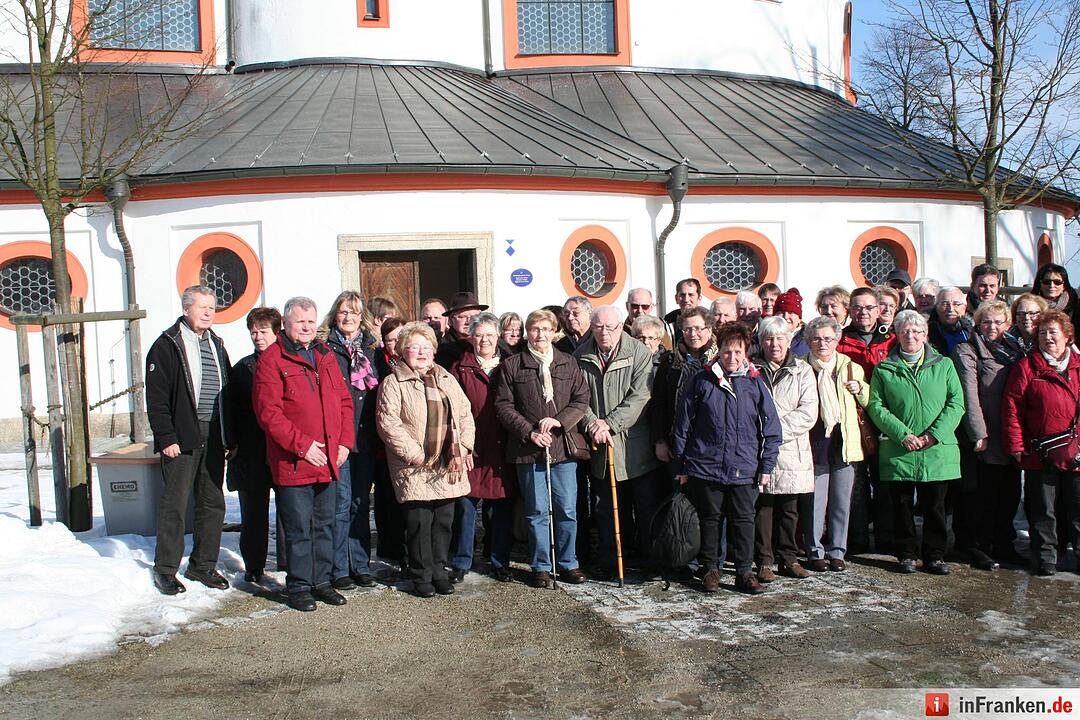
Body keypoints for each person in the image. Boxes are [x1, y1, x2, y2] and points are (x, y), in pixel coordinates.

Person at [253, 296, 354, 611]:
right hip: (294, 461)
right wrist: (303, 446)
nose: (308, 327)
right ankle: (298, 586)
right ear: (285, 323)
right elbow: (269, 414)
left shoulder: (324, 354)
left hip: (329, 458)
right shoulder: (272, 359)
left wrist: (344, 443)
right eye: (300, 322)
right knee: (298, 528)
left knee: (325, 524)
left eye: (311, 321)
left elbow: (344, 402)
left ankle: (321, 582)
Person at [673, 323, 782, 595]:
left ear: (745, 353)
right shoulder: (702, 380)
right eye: (726, 351)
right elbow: (683, 425)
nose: (731, 357)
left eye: (737, 352)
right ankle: (711, 569)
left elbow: (771, 428)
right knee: (710, 519)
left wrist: (767, 465)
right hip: (706, 465)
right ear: (718, 351)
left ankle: (744, 572)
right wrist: (682, 464)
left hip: (745, 466)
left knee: (744, 520)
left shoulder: (755, 382)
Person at [376, 322, 475, 597]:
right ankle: (421, 575)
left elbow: (464, 413)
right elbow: (388, 423)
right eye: (414, 347)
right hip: (415, 466)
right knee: (419, 524)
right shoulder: (393, 382)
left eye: (426, 347)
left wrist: (464, 447)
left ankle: (439, 572)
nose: (421, 352)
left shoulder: (446, 378)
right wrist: (415, 454)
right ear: (402, 351)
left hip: (447, 463)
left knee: (443, 522)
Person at [146, 285, 231, 596]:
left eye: (212, 307)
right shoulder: (167, 345)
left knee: (212, 501)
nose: (208, 312)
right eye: (202, 307)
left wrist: (230, 434)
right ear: (186, 309)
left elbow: (228, 392)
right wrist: (166, 436)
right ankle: (166, 569)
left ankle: (203, 564)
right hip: (182, 435)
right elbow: (156, 397)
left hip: (214, 433)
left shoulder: (216, 344)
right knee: (175, 503)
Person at [495, 309, 591, 588]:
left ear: (554, 332)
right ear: (528, 332)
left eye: (546, 329)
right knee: (536, 510)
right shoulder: (513, 365)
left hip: (562, 448)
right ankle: (541, 566)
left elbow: (581, 399)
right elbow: (503, 405)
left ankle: (568, 562)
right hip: (528, 449)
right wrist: (529, 432)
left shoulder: (567, 363)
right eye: (535, 329)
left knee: (566, 508)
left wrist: (560, 421)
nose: (540, 335)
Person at [866, 310, 964, 576]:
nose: (911, 336)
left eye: (916, 331)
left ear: (925, 334)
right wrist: (902, 434)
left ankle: (935, 555)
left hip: (937, 448)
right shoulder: (884, 368)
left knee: (935, 506)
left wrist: (934, 434)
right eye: (905, 331)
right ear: (897, 334)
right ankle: (906, 554)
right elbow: (876, 406)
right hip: (899, 448)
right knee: (901, 505)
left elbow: (956, 403)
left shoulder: (944, 365)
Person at [575, 305, 658, 575]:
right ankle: (611, 560)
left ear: (621, 326)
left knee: (645, 507)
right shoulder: (580, 356)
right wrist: (592, 424)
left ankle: (649, 560)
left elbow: (641, 396)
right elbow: (578, 398)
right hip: (601, 446)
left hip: (635, 445)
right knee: (607, 509)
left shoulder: (638, 352)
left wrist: (609, 423)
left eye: (610, 327)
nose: (604, 332)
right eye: (598, 327)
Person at [1002, 310, 1080, 577]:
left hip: (1076, 451)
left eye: (1053, 332)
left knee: (1077, 507)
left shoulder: (1078, 365)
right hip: (1040, 451)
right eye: (1043, 333)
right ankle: (1045, 557)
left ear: (1067, 336)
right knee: (1043, 510)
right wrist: (1016, 444)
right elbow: (1012, 408)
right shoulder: (1027, 367)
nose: (1048, 338)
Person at [952, 299, 1026, 571]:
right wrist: (978, 433)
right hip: (986, 433)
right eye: (986, 321)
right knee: (983, 494)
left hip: (1011, 431)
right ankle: (978, 545)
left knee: (1009, 491)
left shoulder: (1015, 349)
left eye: (998, 322)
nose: (992, 327)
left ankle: (1004, 542)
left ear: (1008, 324)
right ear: (978, 323)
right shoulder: (968, 350)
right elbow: (969, 395)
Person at [448, 312, 515, 583]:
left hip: (502, 446)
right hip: (471, 448)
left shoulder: (510, 363)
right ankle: (462, 561)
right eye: (478, 335)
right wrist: (460, 446)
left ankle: (500, 561)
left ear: (498, 336)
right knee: (465, 507)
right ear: (471, 337)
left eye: (489, 334)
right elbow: (451, 411)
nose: (484, 340)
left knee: (500, 509)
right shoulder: (459, 367)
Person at [752, 316, 819, 582]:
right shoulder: (751, 369)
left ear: (789, 340)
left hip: (792, 450)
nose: (775, 344)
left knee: (789, 509)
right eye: (769, 338)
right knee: (763, 508)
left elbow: (808, 412)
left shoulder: (802, 370)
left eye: (780, 338)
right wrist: (762, 433)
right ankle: (764, 560)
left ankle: (789, 558)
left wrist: (774, 432)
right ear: (761, 342)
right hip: (758, 449)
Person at [322, 291, 380, 590]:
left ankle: (361, 565)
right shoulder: (324, 348)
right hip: (339, 438)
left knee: (360, 502)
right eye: (344, 311)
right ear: (335, 314)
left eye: (354, 312)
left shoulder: (371, 348)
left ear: (362, 317)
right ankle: (339, 568)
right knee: (341, 503)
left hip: (365, 437)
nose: (348, 317)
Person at [225, 306, 287, 584]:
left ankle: (289, 562)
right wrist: (231, 443)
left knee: (288, 511)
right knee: (253, 513)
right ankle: (254, 565)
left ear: (277, 332)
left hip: (283, 448)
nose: (258, 337)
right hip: (251, 451)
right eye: (253, 332)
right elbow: (231, 409)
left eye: (263, 331)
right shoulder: (243, 368)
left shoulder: (290, 362)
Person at [803, 316, 868, 572]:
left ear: (837, 340)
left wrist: (860, 388)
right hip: (814, 441)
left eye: (828, 339)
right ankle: (814, 550)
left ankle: (837, 551)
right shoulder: (801, 367)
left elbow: (869, 400)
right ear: (808, 341)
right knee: (815, 502)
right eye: (817, 339)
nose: (823, 344)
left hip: (844, 441)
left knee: (842, 501)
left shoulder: (850, 367)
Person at [835, 287, 896, 553]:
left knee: (885, 481)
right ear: (850, 310)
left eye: (870, 307)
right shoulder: (841, 340)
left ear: (879, 310)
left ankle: (886, 537)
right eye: (858, 307)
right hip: (854, 419)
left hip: (887, 418)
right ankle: (857, 537)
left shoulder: (891, 341)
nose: (864, 312)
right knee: (856, 482)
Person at [651, 308, 717, 469]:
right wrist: (660, 440)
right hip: (678, 443)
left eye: (698, 328)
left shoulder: (720, 360)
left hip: (712, 445)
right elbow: (658, 404)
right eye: (687, 329)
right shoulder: (670, 361)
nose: (693, 334)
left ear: (709, 330)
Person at [372, 316, 407, 568]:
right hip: (384, 444)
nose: (395, 343)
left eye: (399, 338)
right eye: (390, 339)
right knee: (387, 499)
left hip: (411, 442)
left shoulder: (416, 359)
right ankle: (390, 548)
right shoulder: (379, 362)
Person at [435, 291, 488, 368]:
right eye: (462, 317)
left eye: (474, 317)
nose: (469, 321)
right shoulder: (443, 349)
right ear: (451, 320)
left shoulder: (491, 341)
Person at [928, 287, 972, 357]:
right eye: (945, 304)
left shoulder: (972, 331)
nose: (950, 309)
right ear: (937, 307)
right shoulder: (927, 332)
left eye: (956, 304)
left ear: (964, 308)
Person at [1033, 263, 1080, 329]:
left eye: (1057, 282)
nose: (1051, 286)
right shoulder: (1030, 307)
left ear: (1064, 286)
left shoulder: (1075, 307)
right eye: (1046, 282)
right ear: (1039, 284)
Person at [773, 288, 808, 357]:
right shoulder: (764, 337)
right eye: (781, 312)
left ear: (799, 319)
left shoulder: (809, 340)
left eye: (791, 312)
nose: (785, 317)